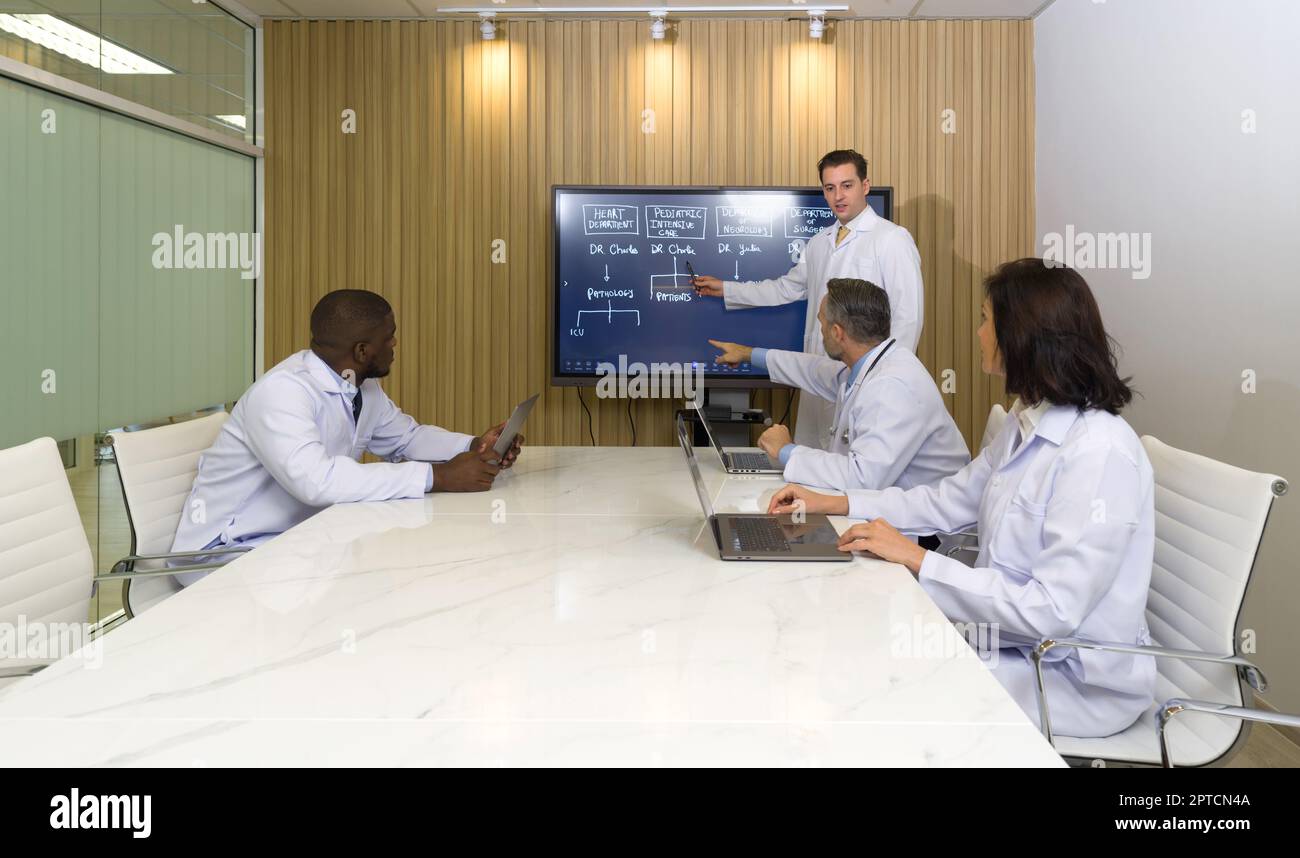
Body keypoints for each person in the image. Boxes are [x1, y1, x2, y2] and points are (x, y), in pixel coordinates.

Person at [768, 259, 1156, 738]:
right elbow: (946, 500)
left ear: (1021, 335)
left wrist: (917, 560)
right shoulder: (1027, 420)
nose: (978, 333)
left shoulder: (1100, 453)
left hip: (1070, 678)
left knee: (876, 685)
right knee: (863, 647)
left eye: (984, 319)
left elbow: (1051, 611)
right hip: (1010, 643)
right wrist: (838, 503)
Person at [169, 289, 521, 582]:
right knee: (378, 586)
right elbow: (316, 482)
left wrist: (474, 446)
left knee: (392, 578)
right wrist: (439, 476)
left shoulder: (359, 386)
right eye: (389, 336)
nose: (395, 342)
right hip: (224, 554)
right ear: (362, 351)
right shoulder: (282, 393)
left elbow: (406, 439)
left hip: (293, 542)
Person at [691, 149, 923, 447]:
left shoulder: (892, 239)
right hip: (819, 378)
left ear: (865, 186)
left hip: (868, 384)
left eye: (847, 185)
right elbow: (785, 288)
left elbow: (908, 319)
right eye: (830, 188)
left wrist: (888, 384)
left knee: (854, 473)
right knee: (811, 469)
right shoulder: (818, 243)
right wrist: (727, 288)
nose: (838, 195)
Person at [708, 277, 967, 500]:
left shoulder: (891, 387)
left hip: (923, 533)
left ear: (837, 332)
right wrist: (747, 354)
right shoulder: (870, 365)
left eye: (821, 323)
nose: (819, 332)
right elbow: (812, 370)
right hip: (888, 509)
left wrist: (787, 450)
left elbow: (863, 479)